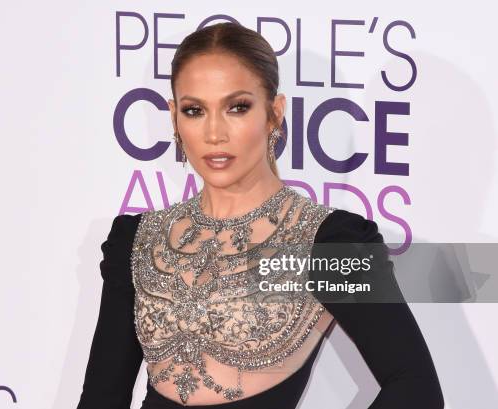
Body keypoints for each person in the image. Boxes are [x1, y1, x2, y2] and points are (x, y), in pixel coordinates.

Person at [76, 22, 444, 409]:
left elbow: (415, 388)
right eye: (194, 110)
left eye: (237, 107)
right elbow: (103, 395)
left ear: (274, 113)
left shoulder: (327, 242)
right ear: (174, 117)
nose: (214, 133)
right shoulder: (139, 240)